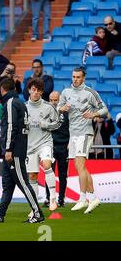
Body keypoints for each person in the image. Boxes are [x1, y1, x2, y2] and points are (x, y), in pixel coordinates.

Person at [0, 78, 44, 223]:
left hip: (13, 151)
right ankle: (0, 215)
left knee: (23, 182)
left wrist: (9, 149)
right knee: (8, 186)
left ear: (2, 89)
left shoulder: (10, 103)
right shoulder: (20, 103)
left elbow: (11, 127)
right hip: (15, 150)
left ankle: (37, 213)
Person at [58, 67, 108, 213]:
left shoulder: (90, 93)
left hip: (85, 133)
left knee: (80, 165)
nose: (75, 79)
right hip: (72, 134)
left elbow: (105, 110)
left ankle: (82, 198)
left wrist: (94, 114)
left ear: (83, 78)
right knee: (81, 167)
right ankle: (93, 198)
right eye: (73, 77)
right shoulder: (66, 92)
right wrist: (62, 108)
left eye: (78, 77)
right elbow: (59, 107)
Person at [25, 78, 60, 212]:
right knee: (32, 175)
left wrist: (46, 125)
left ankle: (52, 198)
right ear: (29, 90)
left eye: (38, 90)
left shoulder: (48, 107)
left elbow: (57, 124)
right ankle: (35, 207)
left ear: (41, 92)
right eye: (33, 90)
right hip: (30, 145)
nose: (35, 92)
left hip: (45, 142)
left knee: (47, 165)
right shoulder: (24, 107)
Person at [46, 91, 69, 207]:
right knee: (49, 172)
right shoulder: (46, 113)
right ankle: (49, 198)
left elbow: (72, 129)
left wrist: (70, 142)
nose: (53, 102)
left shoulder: (66, 113)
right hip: (50, 146)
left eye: (56, 100)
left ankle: (61, 199)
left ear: (60, 100)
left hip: (64, 147)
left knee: (62, 174)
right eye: (51, 100)